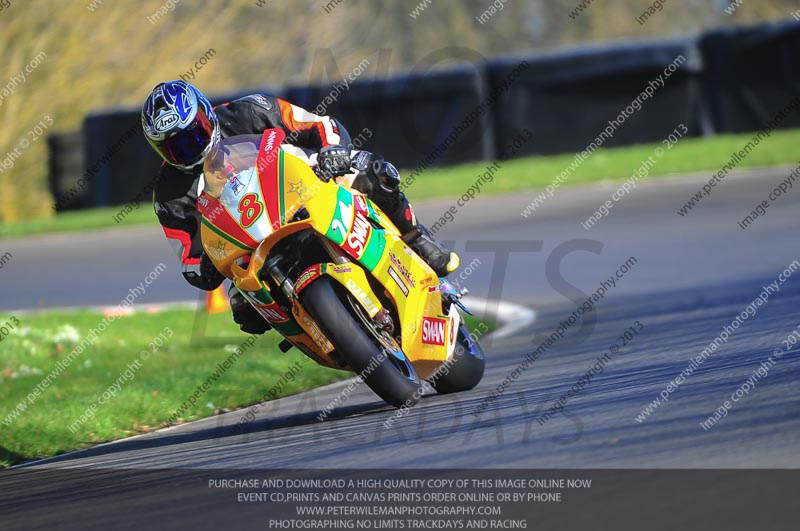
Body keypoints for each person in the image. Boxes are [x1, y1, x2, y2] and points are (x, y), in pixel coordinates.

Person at [141, 80, 459, 334]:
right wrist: (206, 264)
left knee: (371, 173)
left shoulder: (250, 111)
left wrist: (331, 151)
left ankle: (416, 238)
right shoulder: (169, 197)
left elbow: (319, 125)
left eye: (193, 136)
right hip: (253, 244)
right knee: (243, 305)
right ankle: (317, 331)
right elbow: (189, 258)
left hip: (306, 185)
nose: (188, 150)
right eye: (174, 147)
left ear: (206, 116)